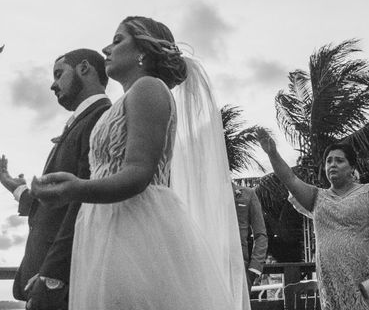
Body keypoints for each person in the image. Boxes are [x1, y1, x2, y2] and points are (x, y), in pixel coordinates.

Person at [30, 16, 249, 310]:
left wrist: (75, 189)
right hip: (105, 224)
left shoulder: (148, 88)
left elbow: (138, 173)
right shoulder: (126, 100)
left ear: (142, 51)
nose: (107, 49)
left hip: (136, 224)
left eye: (118, 40)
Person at [0, 49, 110, 310]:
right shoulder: (80, 121)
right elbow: (59, 204)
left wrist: (53, 276)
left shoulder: (100, 118)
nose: (52, 84)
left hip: (64, 281)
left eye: (59, 74)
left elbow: (84, 205)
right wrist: (16, 189)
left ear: (85, 68)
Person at [256, 131, 369, 310]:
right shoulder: (316, 196)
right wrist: (272, 153)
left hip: (364, 275)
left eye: (339, 160)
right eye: (329, 161)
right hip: (331, 279)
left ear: (352, 167)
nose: (332, 165)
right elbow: (289, 178)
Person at [233, 182, 268, 288]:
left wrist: (255, 267)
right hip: (210, 265)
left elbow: (261, 234)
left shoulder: (248, 194)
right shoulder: (204, 195)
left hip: (240, 266)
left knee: (241, 304)